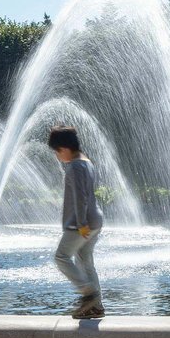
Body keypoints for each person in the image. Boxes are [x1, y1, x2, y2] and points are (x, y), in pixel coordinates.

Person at [47, 125, 105, 319]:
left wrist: (80, 224)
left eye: (56, 152)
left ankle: (88, 294)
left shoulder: (75, 166)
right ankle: (96, 307)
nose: (57, 156)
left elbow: (80, 197)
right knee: (86, 262)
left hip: (82, 223)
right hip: (95, 220)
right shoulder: (86, 162)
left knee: (61, 257)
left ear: (64, 149)